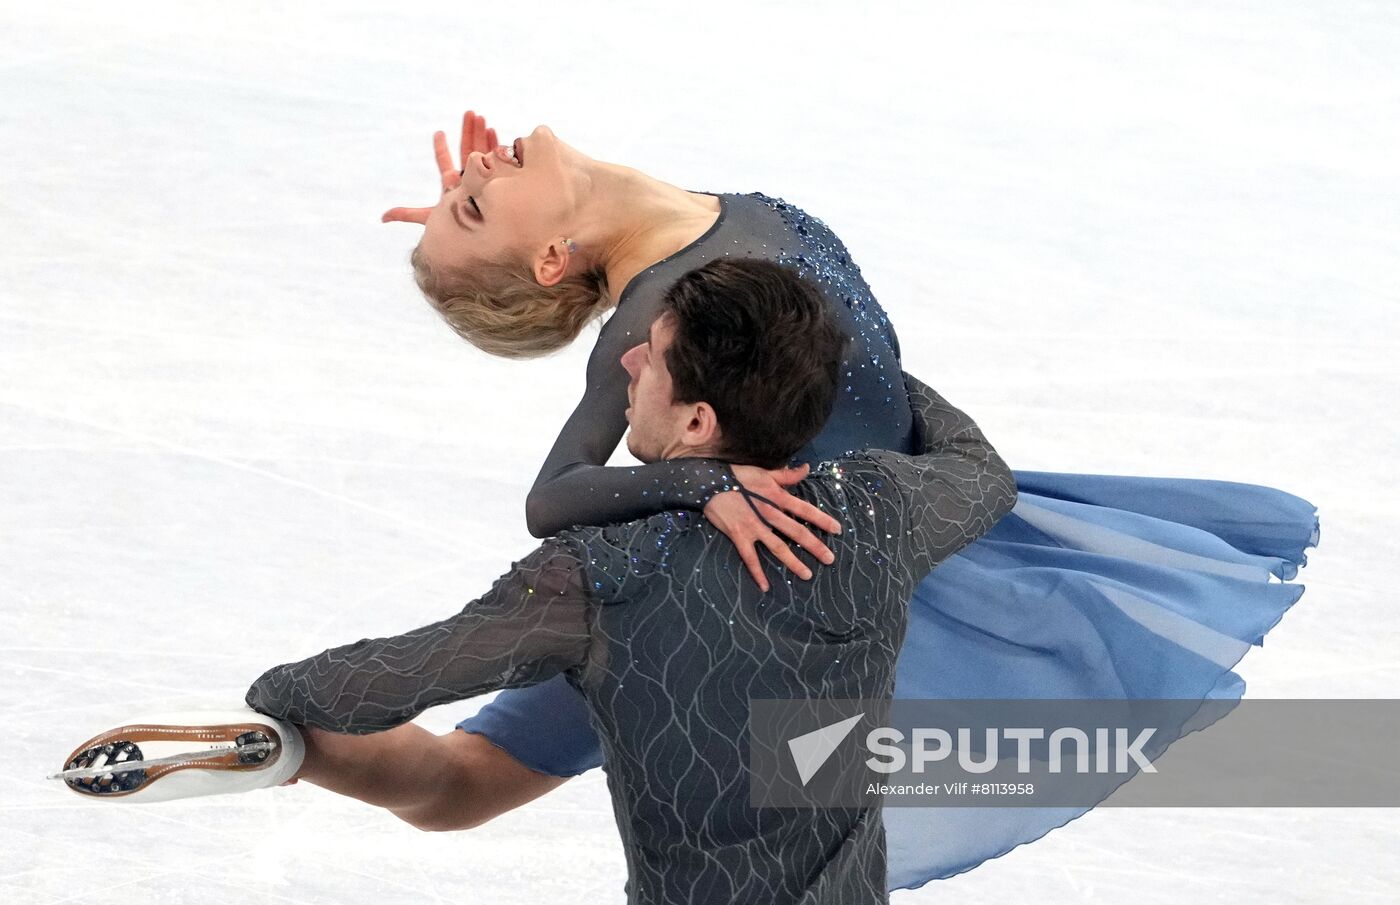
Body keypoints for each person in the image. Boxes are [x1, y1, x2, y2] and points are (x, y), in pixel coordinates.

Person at [372, 112, 1320, 886]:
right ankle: (296, 740)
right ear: (551, 256)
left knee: (480, 778)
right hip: (729, 590)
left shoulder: (688, 215)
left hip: (869, 548)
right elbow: (556, 494)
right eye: (471, 207)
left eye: (463, 199)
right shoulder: (654, 312)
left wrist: (484, 213)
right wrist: (708, 483)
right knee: (468, 778)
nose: (476, 173)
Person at [60, 258, 1019, 905]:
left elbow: (350, 690)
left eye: (653, 359)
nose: (629, 359)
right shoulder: (876, 514)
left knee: (447, 772)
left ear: (693, 423)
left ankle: (283, 756)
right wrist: (856, 367)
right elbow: (983, 473)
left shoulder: (602, 573)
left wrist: (281, 704)